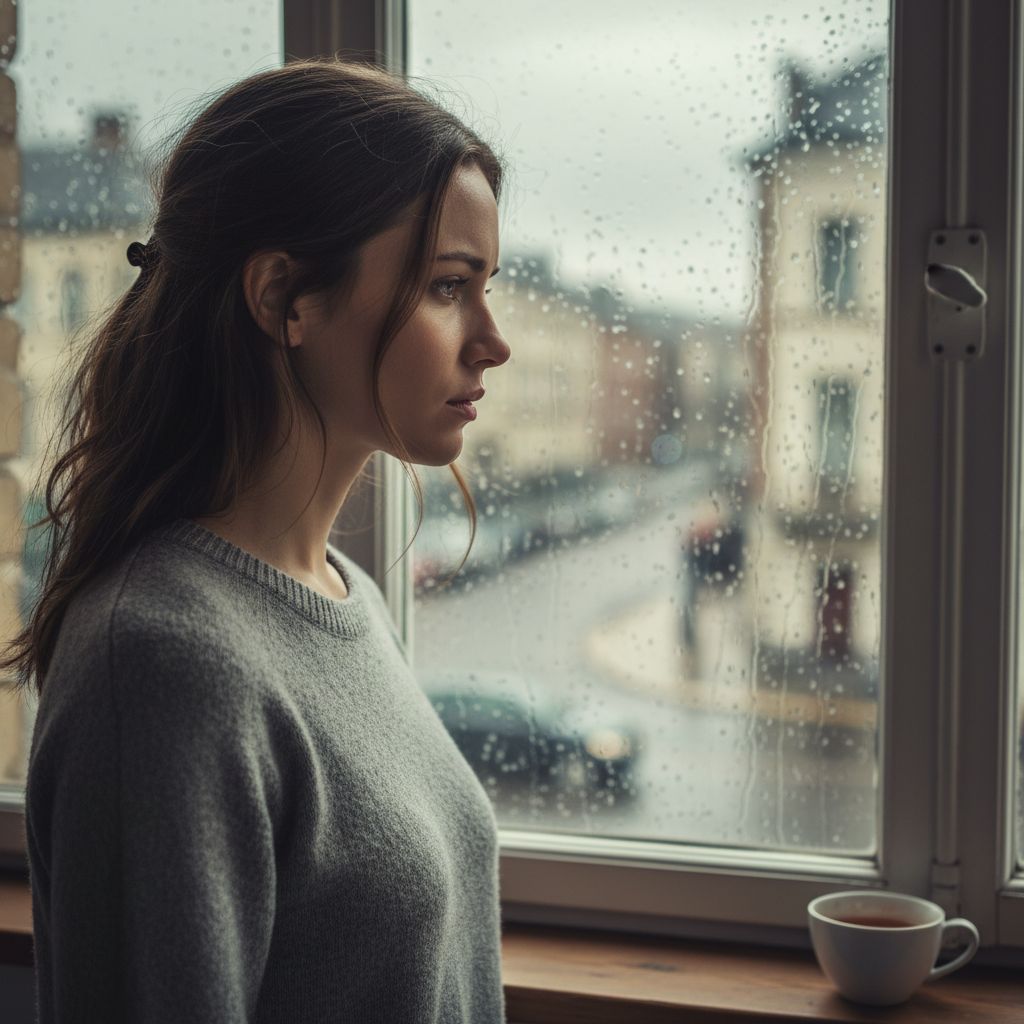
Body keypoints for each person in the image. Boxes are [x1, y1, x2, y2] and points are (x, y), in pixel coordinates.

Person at [7, 57, 511, 1023]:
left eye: (485, 285)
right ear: (285, 298)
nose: (493, 339)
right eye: (450, 285)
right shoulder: (162, 663)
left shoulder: (347, 596)